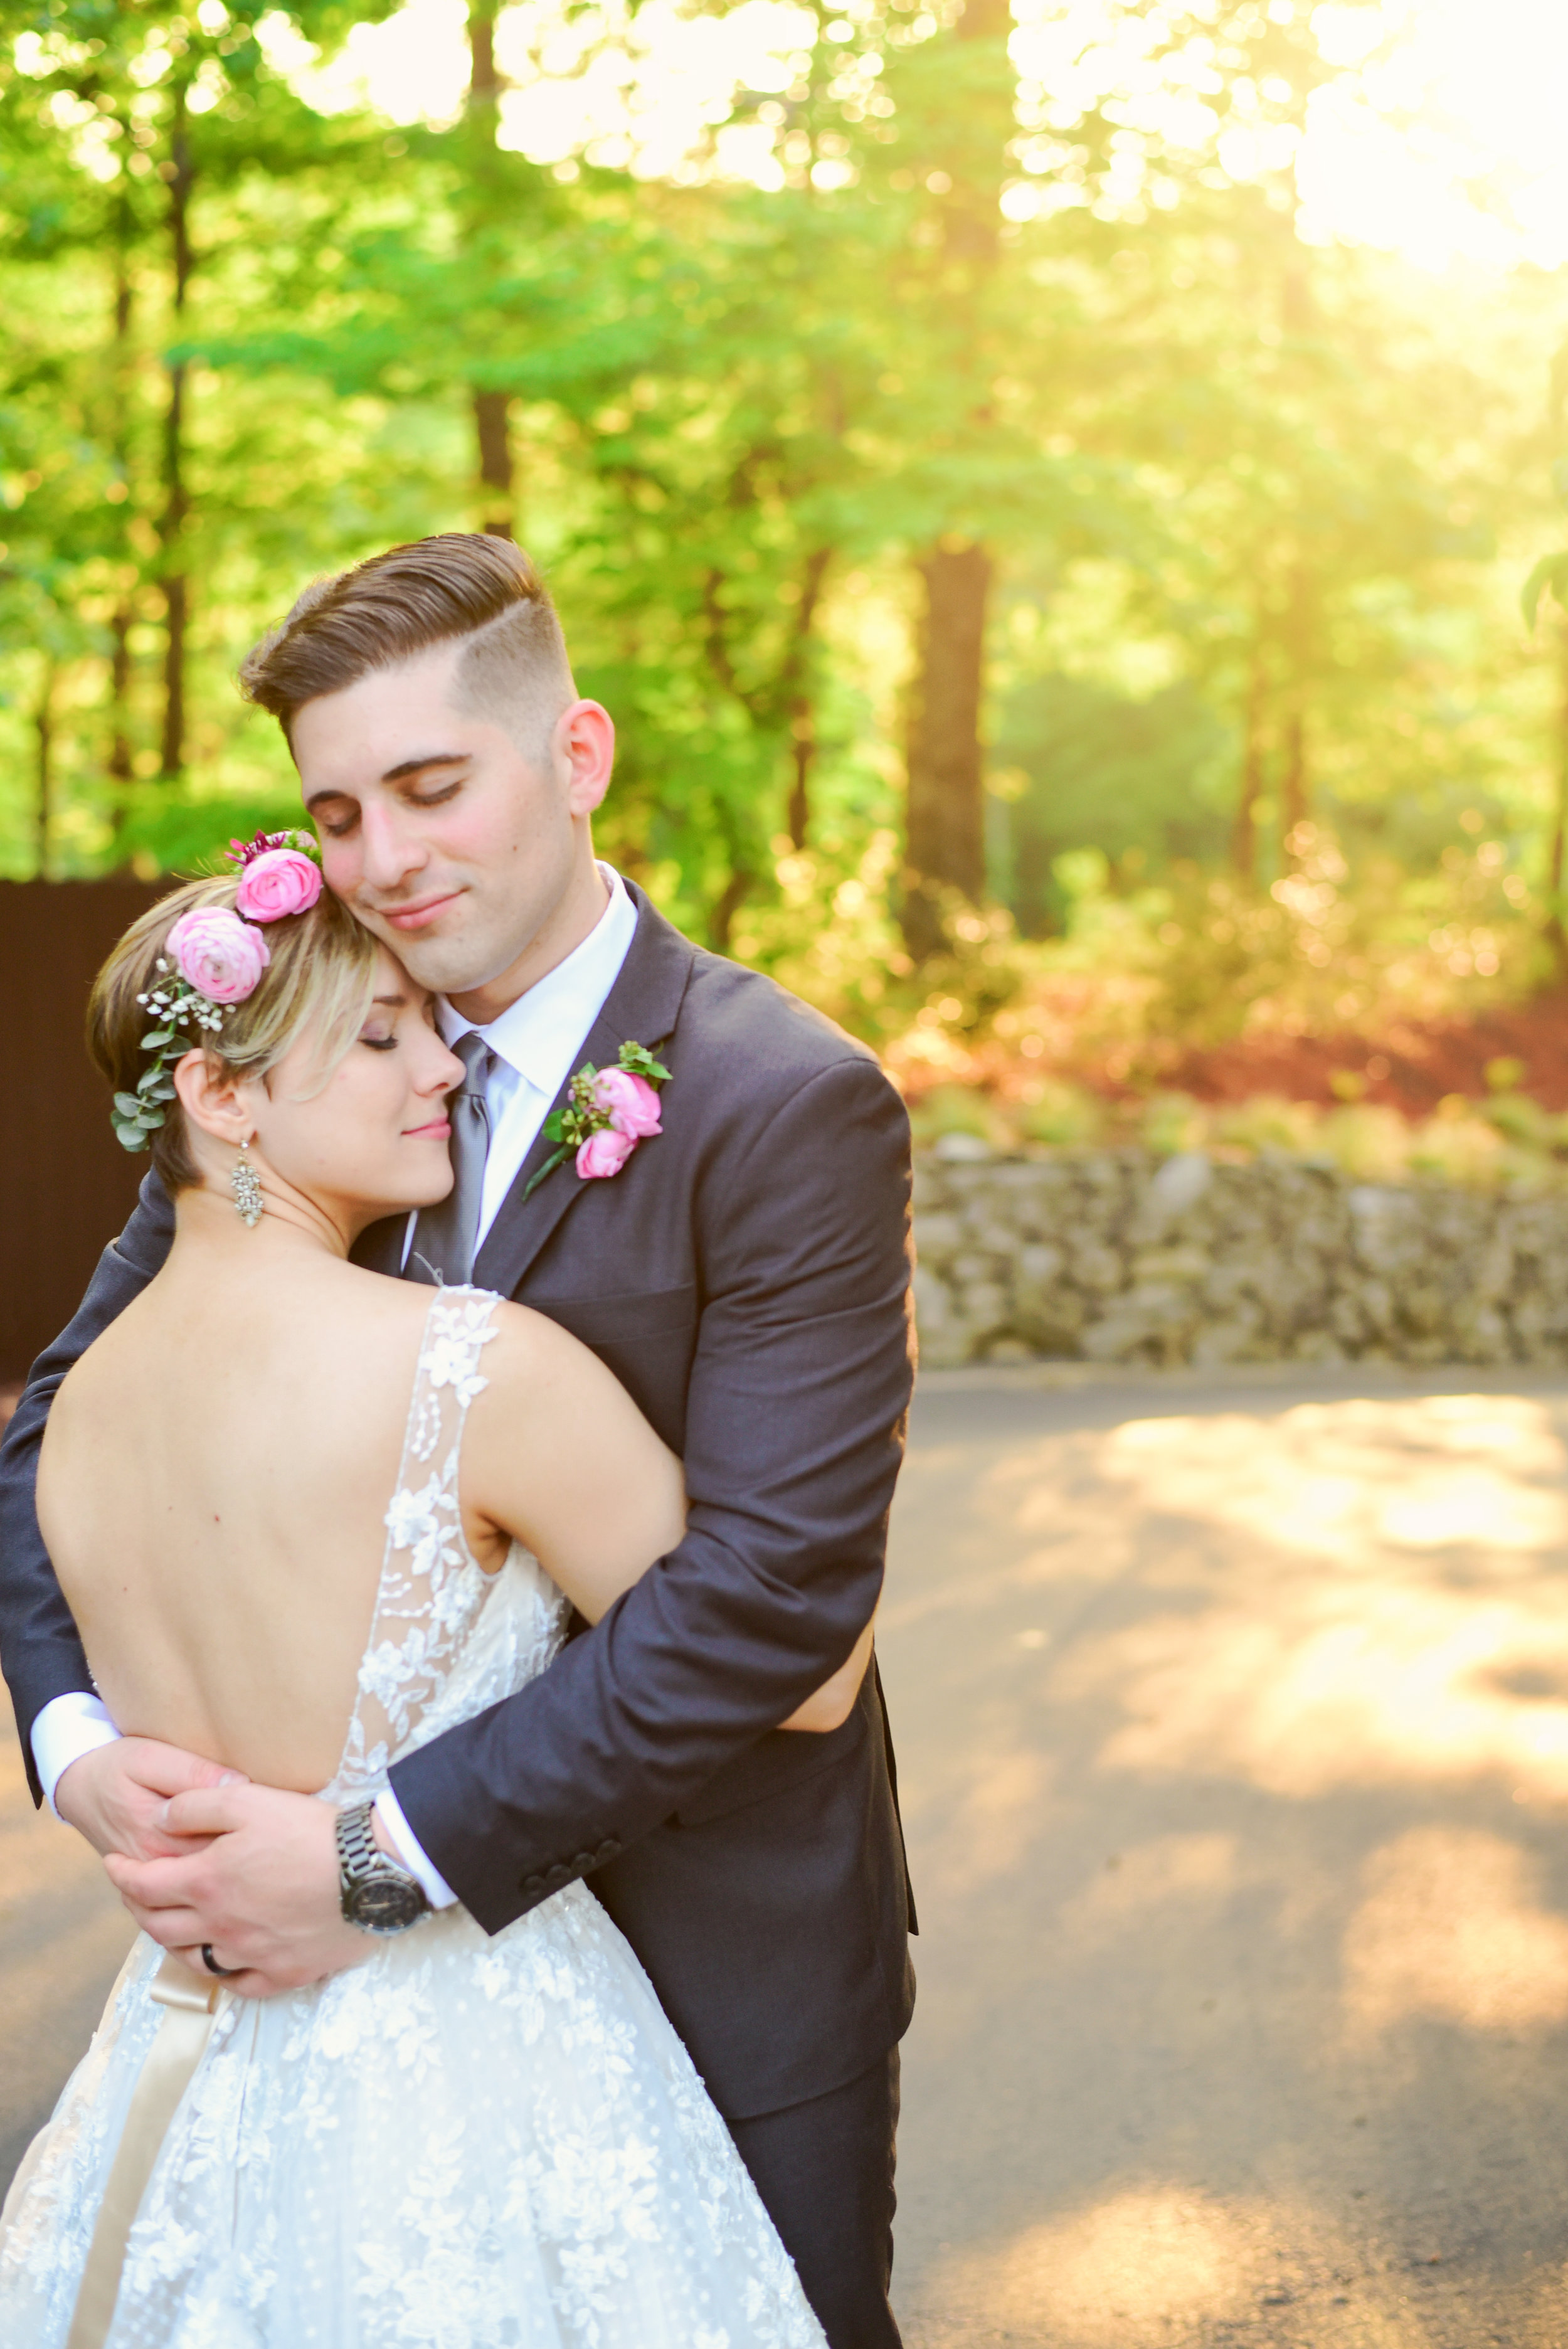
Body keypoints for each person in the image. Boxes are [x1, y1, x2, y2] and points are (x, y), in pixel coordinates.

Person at [0, 535, 916, 2346]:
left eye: (431, 787)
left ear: (574, 755)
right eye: (335, 813)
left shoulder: (782, 1101)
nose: (384, 861)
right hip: (304, 2006)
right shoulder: (302, 1073)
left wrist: (366, 1853)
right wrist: (82, 1740)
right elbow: (51, 1422)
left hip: (713, 1946)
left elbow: (774, 1596)